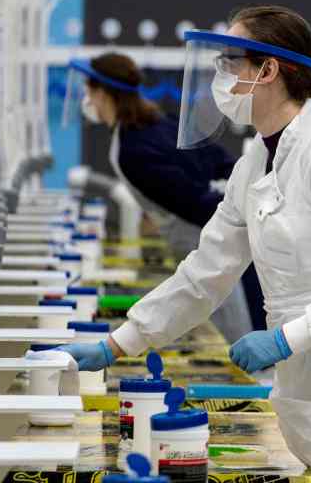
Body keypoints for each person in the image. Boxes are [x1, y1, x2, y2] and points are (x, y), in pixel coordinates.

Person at [61, 5, 311, 482]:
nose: (221, 78)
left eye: (230, 64)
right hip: (303, 393)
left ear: (269, 70)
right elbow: (206, 272)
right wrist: (120, 342)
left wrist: (285, 338)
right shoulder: (255, 161)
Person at [67, 52, 253, 342]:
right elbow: (218, 161)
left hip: (206, 244)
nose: (86, 99)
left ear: (103, 93)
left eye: (89, 90)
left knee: (235, 338)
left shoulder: (133, 149)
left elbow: (193, 203)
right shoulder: (157, 122)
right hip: (213, 235)